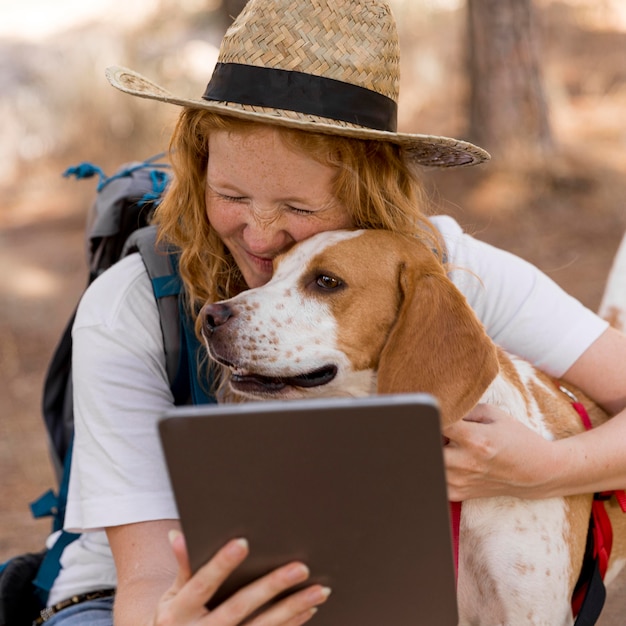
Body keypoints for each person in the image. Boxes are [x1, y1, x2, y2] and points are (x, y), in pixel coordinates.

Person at [40, 0, 626, 624]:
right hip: (131, 599)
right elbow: (148, 579)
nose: (260, 236)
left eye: (297, 207)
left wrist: (544, 470)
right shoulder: (130, 307)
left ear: (364, 192)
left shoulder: (441, 267)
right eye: (230, 194)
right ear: (199, 168)